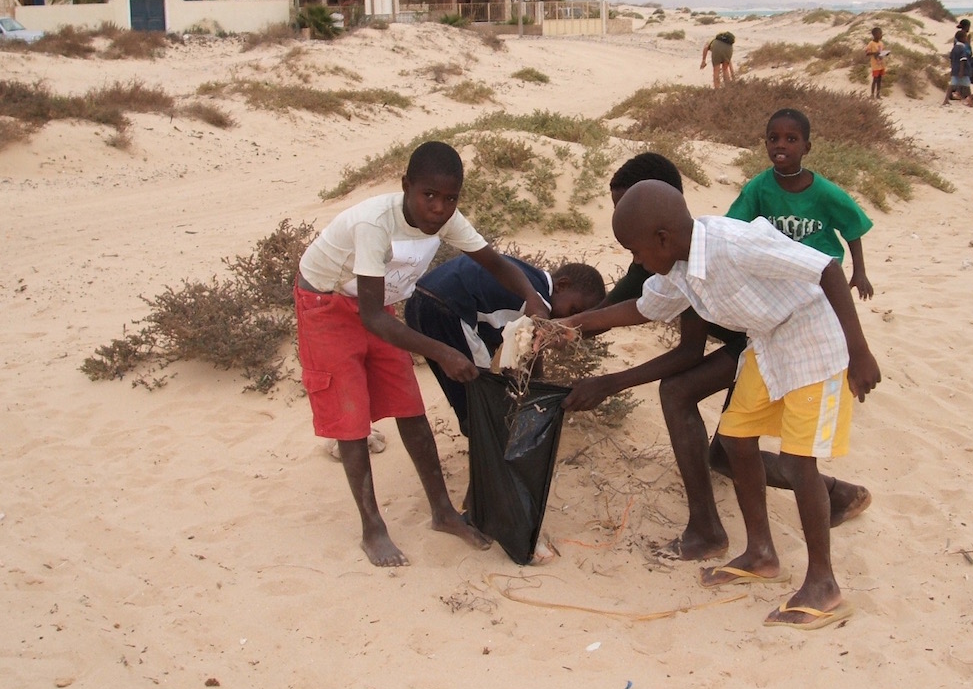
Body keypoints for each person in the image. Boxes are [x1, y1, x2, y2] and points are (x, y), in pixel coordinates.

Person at [561, 182, 881, 629]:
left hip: (815, 340)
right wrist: (572, 324)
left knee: (798, 461)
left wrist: (859, 351)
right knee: (735, 440)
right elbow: (643, 307)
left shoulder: (733, 243)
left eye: (635, 251)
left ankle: (823, 586)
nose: (636, 261)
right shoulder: (680, 268)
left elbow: (826, 268)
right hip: (768, 343)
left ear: (662, 238)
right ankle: (761, 554)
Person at [295, 140, 550, 567]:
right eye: (428, 195)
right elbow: (371, 318)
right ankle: (372, 527)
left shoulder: (446, 219)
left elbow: (495, 264)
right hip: (326, 305)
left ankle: (443, 512)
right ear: (406, 187)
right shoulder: (375, 225)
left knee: (409, 407)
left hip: (376, 305)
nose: (438, 207)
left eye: (450, 198)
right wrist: (444, 353)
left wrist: (533, 298)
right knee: (351, 418)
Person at [405, 254, 605, 433]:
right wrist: (537, 389)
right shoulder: (539, 300)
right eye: (573, 311)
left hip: (418, 300)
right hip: (449, 309)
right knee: (482, 396)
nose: (568, 321)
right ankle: (486, 438)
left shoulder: (527, 277)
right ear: (562, 285)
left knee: (464, 388)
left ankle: (478, 427)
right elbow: (532, 349)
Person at [943, 28, 972, 106]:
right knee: (967, 86)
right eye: (965, 37)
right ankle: (970, 101)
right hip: (962, 71)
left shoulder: (955, 47)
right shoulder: (962, 48)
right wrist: (961, 71)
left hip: (955, 70)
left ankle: (946, 100)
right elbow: (963, 60)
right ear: (962, 38)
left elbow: (951, 58)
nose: (966, 39)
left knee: (952, 85)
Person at [865, 27, 887, 99]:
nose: (881, 35)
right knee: (875, 79)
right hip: (875, 65)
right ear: (874, 35)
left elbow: (882, 51)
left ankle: (878, 94)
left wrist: (885, 53)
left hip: (881, 64)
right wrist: (874, 53)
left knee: (880, 80)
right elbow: (867, 53)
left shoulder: (881, 43)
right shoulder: (871, 43)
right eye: (879, 34)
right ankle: (872, 95)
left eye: (881, 33)